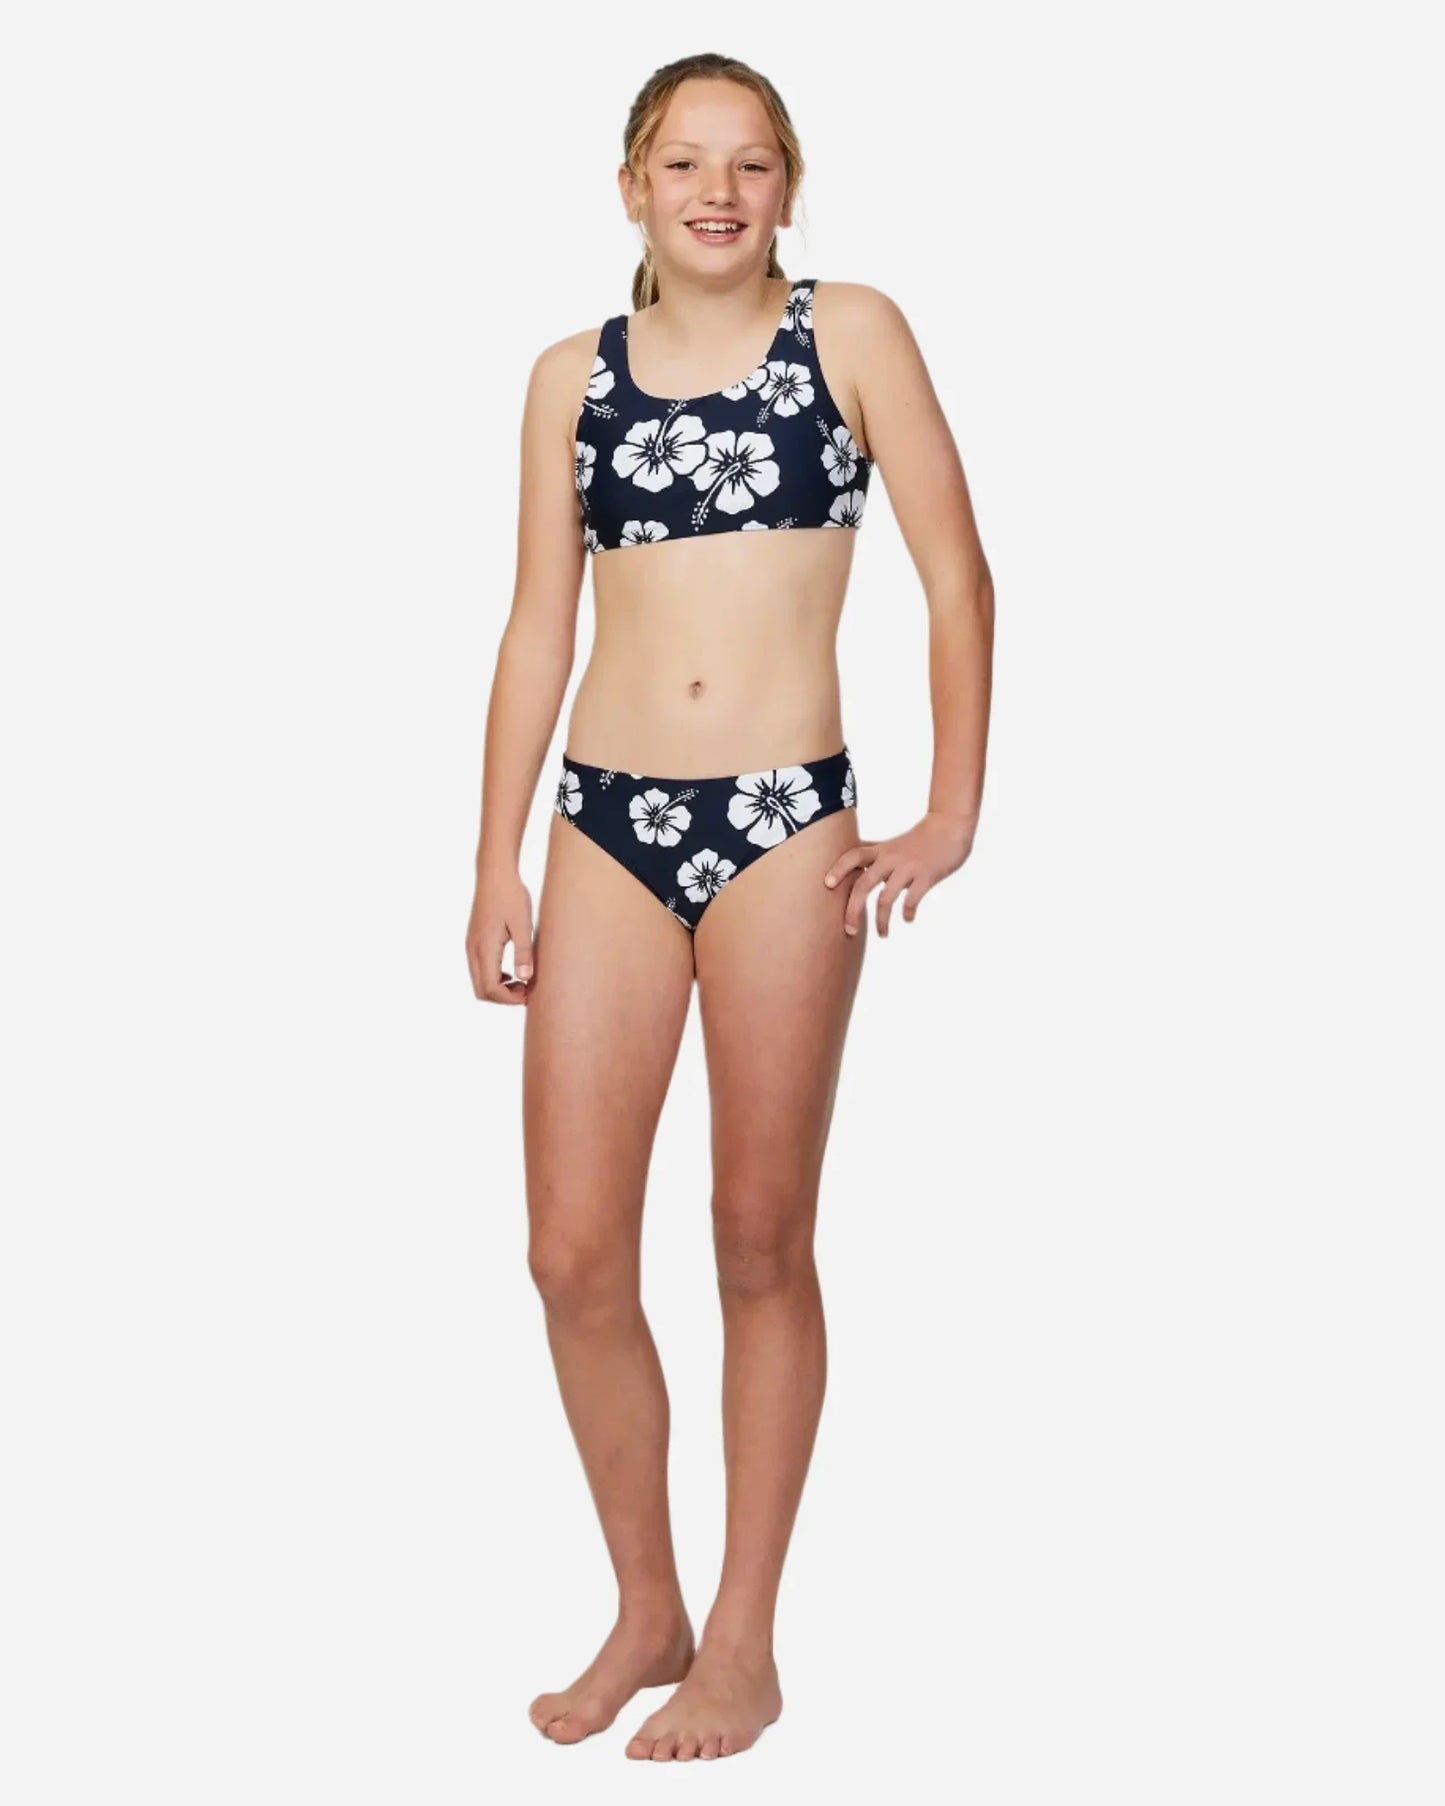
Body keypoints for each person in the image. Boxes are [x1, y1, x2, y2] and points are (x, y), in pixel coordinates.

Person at [465, 51, 994, 1762]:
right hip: (605, 825)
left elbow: (956, 575)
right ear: (631, 185)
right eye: (683, 162)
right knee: (569, 1252)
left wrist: (948, 813)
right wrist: (494, 857)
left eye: (750, 162)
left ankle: (745, 1641)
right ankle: (649, 1605)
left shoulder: (852, 336)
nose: (717, 190)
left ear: (787, 185)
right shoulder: (568, 379)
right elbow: (537, 624)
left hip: (781, 827)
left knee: (758, 1234)